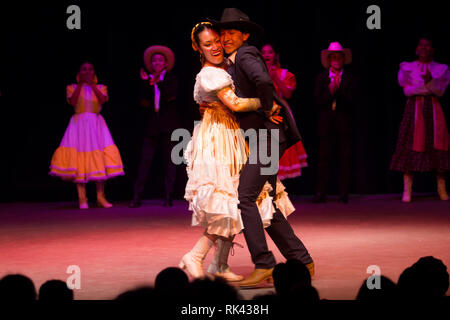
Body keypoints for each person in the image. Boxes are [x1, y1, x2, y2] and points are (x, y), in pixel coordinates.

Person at [179, 22, 294, 282]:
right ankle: (196, 256)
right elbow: (236, 103)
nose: (215, 47)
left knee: (236, 199)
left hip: (230, 134)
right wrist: (268, 106)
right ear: (198, 47)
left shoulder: (224, 68)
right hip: (218, 137)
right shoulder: (211, 73)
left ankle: (218, 264)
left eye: (216, 41)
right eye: (207, 44)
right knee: (229, 199)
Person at [210, 8, 314, 287]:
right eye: (223, 33)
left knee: (245, 197)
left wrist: (267, 108)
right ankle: (302, 260)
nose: (226, 37)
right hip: (261, 138)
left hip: (267, 137)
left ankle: (264, 264)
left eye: (232, 32)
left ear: (245, 35)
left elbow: (264, 81)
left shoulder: (246, 54)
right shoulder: (231, 62)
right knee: (263, 199)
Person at [49, 62, 124, 209]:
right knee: (79, 159)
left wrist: (92, 85)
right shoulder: (72, 88)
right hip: (79, 124)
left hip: (96, 124)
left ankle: (100, 197)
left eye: (90, 69)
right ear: (79, 72)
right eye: (84, 69)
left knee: (100, 158)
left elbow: (102, 100)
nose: (87, 72)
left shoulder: (101, 87)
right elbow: (72, 102)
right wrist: (82, 85)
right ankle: (82, 198)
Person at [390, 37, 449, 202]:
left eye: (427, 45)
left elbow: (440, 92)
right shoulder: (407, 67)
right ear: (416, 48)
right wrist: (424, 87)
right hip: (415, 107)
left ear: (432, 49)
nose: (424, 48)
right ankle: (407, 189)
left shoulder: (441, 68)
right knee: (410, 144)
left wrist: (430, 83)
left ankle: (441, 188)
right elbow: (407, 90)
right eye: (421, 45)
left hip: (433, 107)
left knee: (438, 144)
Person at [129, 45, 181, 208]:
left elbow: (170, 97)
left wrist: (158, 82)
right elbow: (142, 103)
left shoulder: (171, 78)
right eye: (154, 61)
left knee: (169, 163)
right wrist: (147, 83)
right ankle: (136, 196)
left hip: (168, 126)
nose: (157, 63)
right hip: (151, 125)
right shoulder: (147, 81)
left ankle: (168, 196)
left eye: (160, 60)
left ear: (165, 64)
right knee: (145, 162)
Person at [313, 42, 359, 204]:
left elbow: (354, 101)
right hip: (326, 124)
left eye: (339, 56)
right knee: (324, 159)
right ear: (329, 59)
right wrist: (329, 92)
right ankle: (321, 193)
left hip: (344, 123)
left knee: (344, 158)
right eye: (333, 57)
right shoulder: (321, 78)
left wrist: (338, 91)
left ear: (343, 59)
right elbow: (317, 101)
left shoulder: (350, 78)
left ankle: (343, 192)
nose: (336, 59)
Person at [261, 42, 308, 180]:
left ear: (275, 55)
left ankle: (281, 192)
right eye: (264, 52)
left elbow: (287, 94)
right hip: (263, 112)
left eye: (270, 52)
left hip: (281, 113)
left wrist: (273, 76)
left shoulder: (284, 74)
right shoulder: (256, 73)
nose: (266, 55)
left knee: (280, 148)